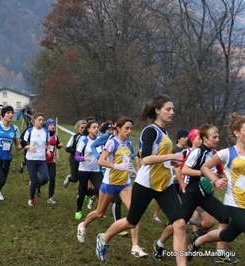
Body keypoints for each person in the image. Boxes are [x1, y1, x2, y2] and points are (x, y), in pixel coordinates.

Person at [94, 94, 186, 265]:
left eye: (172, 109)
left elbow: (160, 156)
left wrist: (170, 160)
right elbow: (146, 159)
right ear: (157, 111)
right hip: (146, 184)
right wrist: (172, 155)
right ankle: (104, 238)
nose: (172, 112)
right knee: (131, 222)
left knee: (180, 224)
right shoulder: (150, 131)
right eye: (168, 109)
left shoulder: (165, 132)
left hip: (164, 184)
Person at [154, 124, 236, 263]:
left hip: (206, 196)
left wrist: (224, 180)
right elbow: (185, 170)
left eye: (218, 136)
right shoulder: (197, 152)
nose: (217, 139)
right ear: (205, 139)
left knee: (224, 217)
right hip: (191, 194)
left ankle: (219, 252)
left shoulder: (214, 154)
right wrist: (206, 174)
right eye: (214, 137)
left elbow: (220, 173)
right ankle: (160, 243)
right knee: (179, 224)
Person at [77, 116, 148, 258]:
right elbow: (101, 161)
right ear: (118, 128)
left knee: (135, 214)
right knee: (99, 213)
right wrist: (117, 166)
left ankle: (135, 246)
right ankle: (83, 226)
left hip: (125, 184)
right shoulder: (112, 143)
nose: (129, 131)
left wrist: (132, 170)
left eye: (131, 129)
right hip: (109, 183)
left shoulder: (128, 143)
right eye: (126, 128)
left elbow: (127, 159)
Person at [187, 113, 245, 263]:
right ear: (236, 133)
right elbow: (205, 167)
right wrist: (215, 180)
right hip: (235, 203)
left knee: (227, 235)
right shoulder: (227, 153)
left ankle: (197, 241)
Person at [152, 128, 189, 222]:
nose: (186, 139)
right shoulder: (172, 148)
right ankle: (155, 215)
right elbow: (166, 160)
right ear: (179, 138)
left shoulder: (186, 151)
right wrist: (173, 167)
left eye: (187, 137)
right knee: (162, 198)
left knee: (185, 199)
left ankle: (181, 218)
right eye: (184, 137)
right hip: (170, 178)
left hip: (181, 179)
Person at [74, 121, 102, 219]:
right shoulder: (84, 141)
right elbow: (76, 156)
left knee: (101, 189)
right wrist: (83, 158)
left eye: (97, 127)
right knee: (81, 193)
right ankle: (78, 210)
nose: (96, 129)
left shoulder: (100, 141)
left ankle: (87, 193)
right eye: (94, 127)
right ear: (89, 129)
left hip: (96, 170)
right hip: (83, 170)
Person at [24, 113, 50, 206]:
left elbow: (47, 143)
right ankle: (31, 199)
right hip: (31, 159)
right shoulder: (29, 131)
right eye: (39, 120)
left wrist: (48, 150)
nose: (41, 122)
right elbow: (22, 144)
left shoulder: (46, 132)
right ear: (34, 120)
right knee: (34, 181)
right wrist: (29, 147)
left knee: (45, 178)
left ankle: (37, 186)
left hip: (42, 159)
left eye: (42, 120)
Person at [63, 120, 87, 187]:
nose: (83, 129)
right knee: (75, 178)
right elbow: (67, 148)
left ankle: (80, 194)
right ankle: (69, 178)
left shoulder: (89, 137)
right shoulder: (74, 137)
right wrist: (77, 151)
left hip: (84, 160)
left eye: (85, 127)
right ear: (78, 128)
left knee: (83, 178)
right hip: (74, 160)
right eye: (82, 127)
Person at [45, 119, 63, 204]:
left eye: (53, 125)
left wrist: (59, 145)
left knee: (52, 178)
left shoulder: (55, 136)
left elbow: (57, 145)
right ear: (47, 126)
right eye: (51, 125)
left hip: (52, 160)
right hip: (42, 159)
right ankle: (37, 186)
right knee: (43, 179)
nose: (53, 126)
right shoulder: (43, 134)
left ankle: (50, 197)